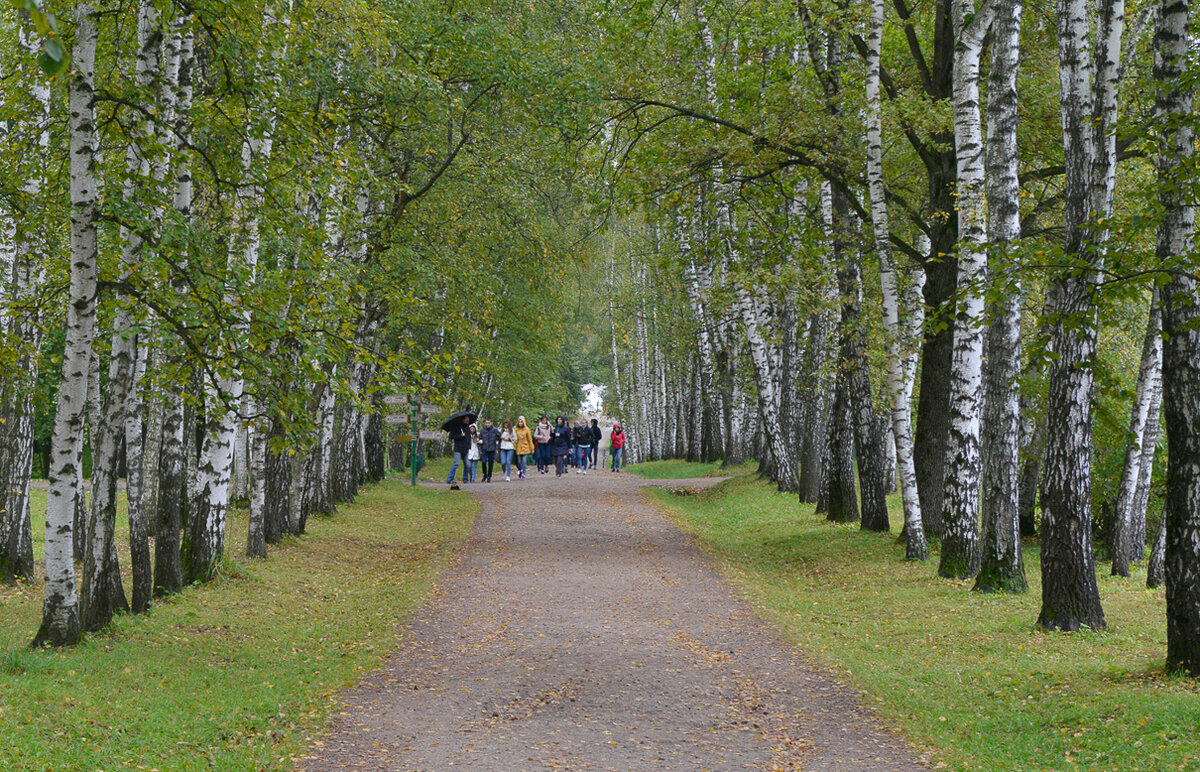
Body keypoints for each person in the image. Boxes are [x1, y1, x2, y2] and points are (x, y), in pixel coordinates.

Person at [446, 414, 472, 488]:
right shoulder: (457, 427)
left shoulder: (467, 427)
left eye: (468, 419)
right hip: (458, 448)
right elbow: (451, 436)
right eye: (466, 419)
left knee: (467, 464)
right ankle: (449, 479)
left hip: (465, 448)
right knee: (456, 463)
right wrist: (460, 435)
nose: (468, 420)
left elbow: (468, 438)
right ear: (463, 419)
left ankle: (465, 478)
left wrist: (469, 446)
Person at [478, 418, 501, 482]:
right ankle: (485, 474)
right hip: (484, 449)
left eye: (489, 423)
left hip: (492, 449)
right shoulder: (482, 430)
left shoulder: (495, 430)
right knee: (484, 462)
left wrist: (498, 447)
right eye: (486, 423)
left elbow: (500, 437)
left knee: (490, 463)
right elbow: (479, 440)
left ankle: (489, 476)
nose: (487, 424)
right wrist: (480, 449)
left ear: (491, 423)